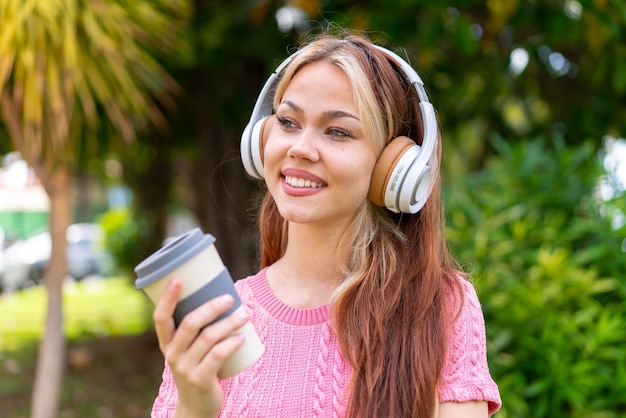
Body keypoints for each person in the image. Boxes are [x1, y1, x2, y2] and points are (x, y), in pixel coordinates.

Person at [150, 31, 502, 418]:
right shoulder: (219, 318)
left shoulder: (440, 308)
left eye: (337, 131)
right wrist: (195, 406)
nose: (300, 147)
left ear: (394, 168)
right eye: (287, 121)